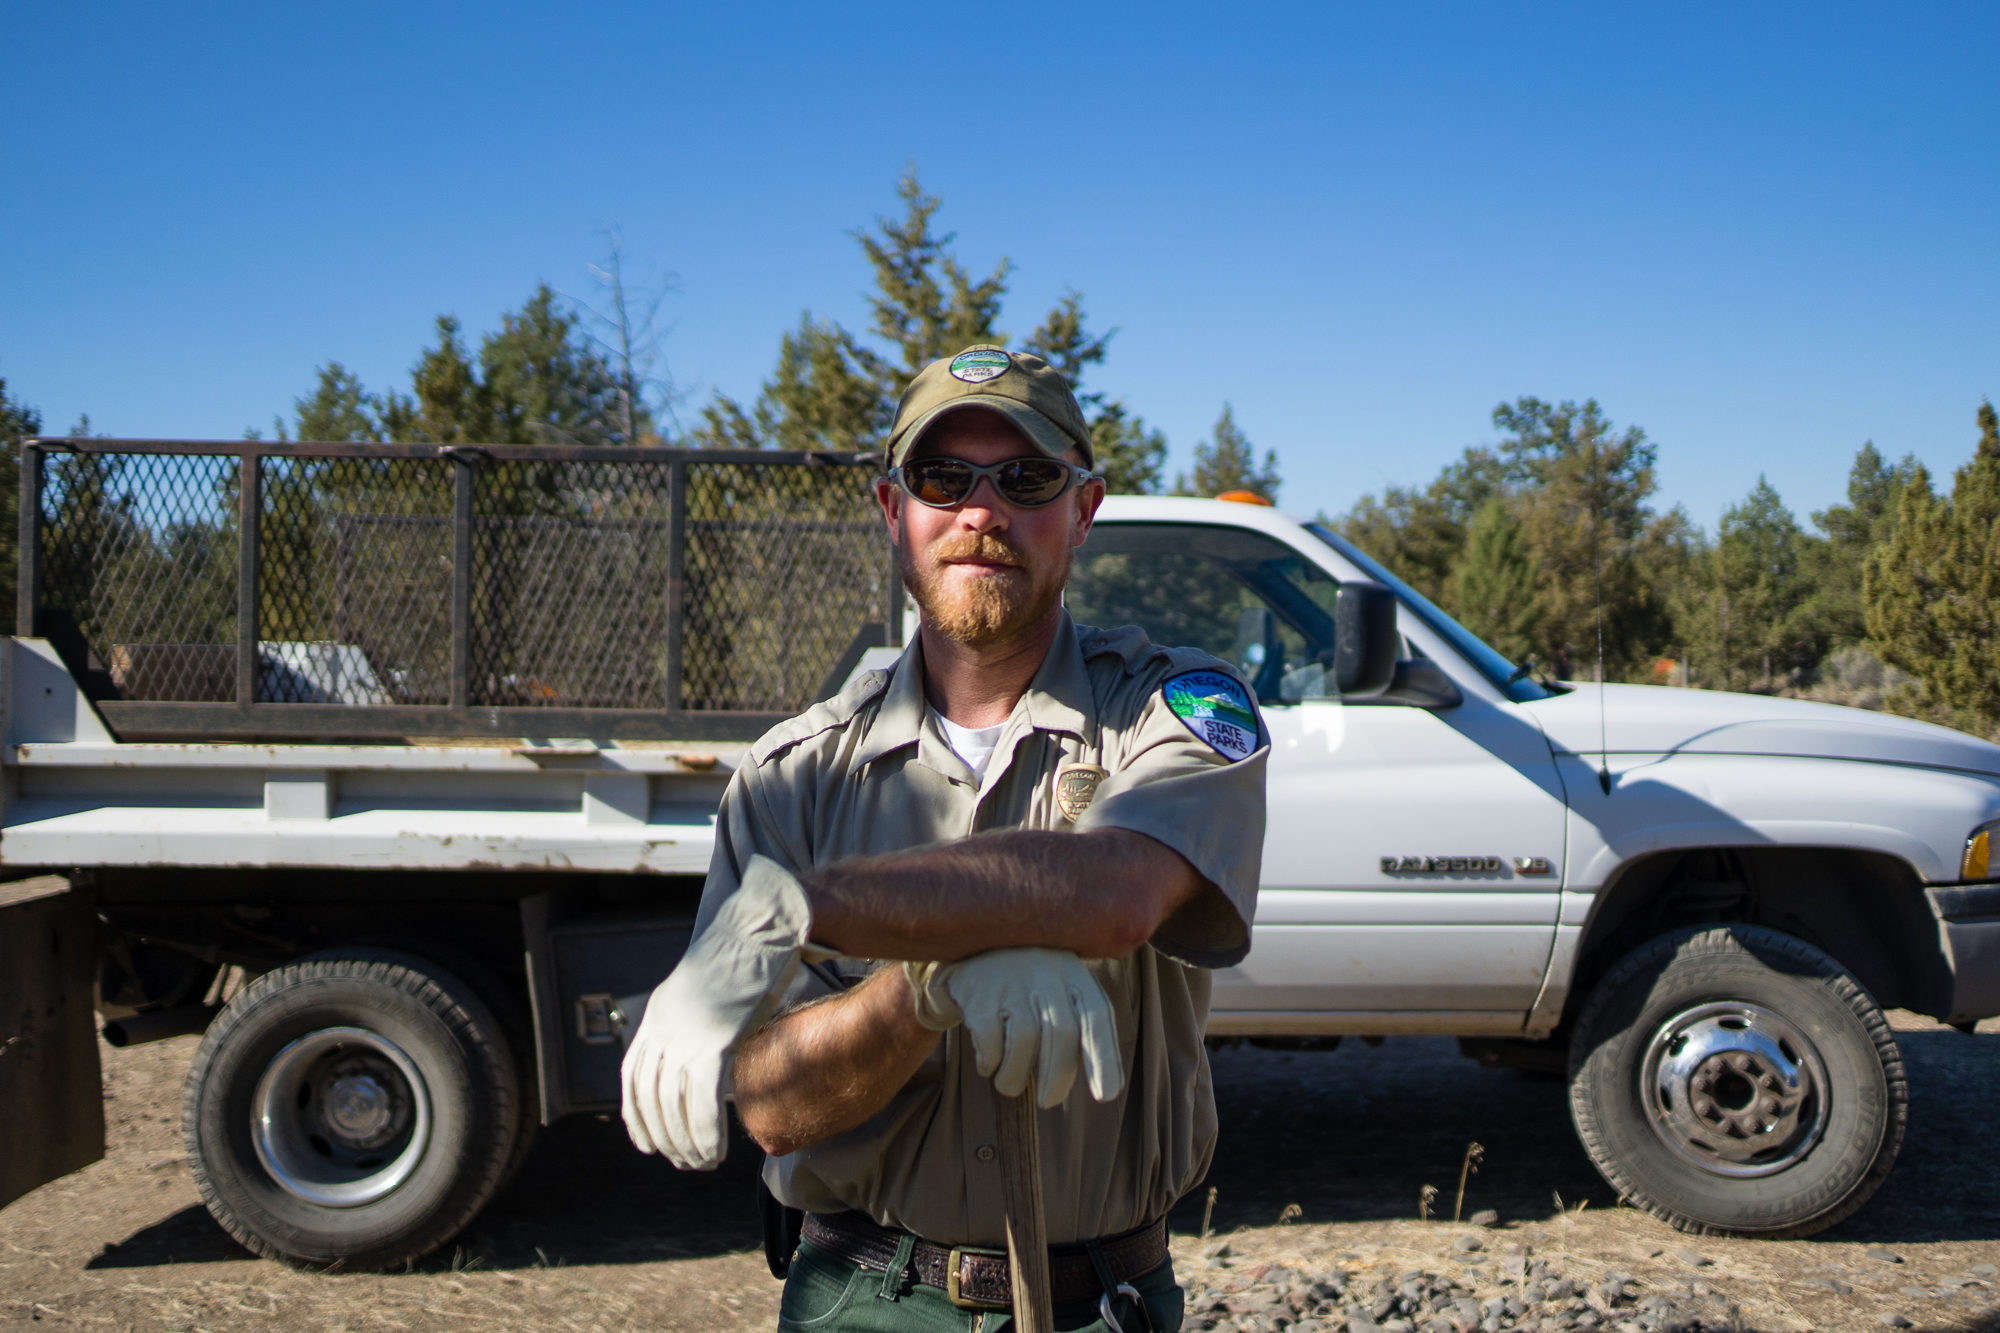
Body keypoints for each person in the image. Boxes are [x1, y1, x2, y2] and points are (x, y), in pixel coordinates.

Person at [621, 344, 1268, 1332]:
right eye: (941, 477)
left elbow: (1117, 890)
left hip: (1099, 1300)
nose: (980, 511)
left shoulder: (1170, 709)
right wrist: (923, 988)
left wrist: (800, 904)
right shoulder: (794, 773)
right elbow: (772, 1106)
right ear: (893, 511)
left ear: (1082, 510)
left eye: (1025, 478)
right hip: (864, 1298)